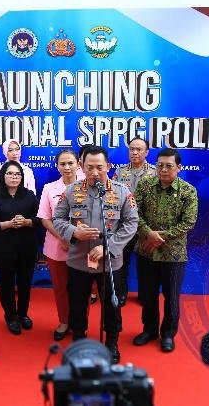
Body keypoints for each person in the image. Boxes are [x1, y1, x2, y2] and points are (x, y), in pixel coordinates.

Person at [53, 146, 138, 363]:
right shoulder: (71, 191)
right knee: (77, 305)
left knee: (112, 305)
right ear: (81, 167)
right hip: (79, 261)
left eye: (99, 167)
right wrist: (74, 232)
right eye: (89, 167)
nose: (94, 172)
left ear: (108, 166)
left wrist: (109, 247)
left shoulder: (121, 191)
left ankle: (111, 343)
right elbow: (58, 219)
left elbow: (131, 223)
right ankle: (79, 341)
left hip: (109, 262)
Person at [132, 148, 198, 353]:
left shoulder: (188, 191)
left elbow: (188, 222)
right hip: (146, 251)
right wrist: (148, 233)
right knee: (148, 295)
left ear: (179, 167)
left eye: (169, 166)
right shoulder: (144, 185)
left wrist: (160, 237)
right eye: (160, 165)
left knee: (172, 297)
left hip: (174, 254)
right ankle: (149, 330)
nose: (163, 169)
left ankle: (168, 334)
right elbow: (133, 214)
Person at [37, 148, 84, 341]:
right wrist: (64, 237)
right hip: (56, 246)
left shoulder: (87, 186)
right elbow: (44, 218)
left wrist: (74, 238)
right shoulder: (49, 188)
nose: (67, 167)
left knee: (81, 289)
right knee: (61, 288)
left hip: (82, 247)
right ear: (57, 166)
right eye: (62, 164)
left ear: (78, 165)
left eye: (70, 163)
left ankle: (80, 324)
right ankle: (64, 321)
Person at [0, 161, 40, 335]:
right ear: (3, 176)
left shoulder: (29, 195)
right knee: (6, 283)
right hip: (4, 247)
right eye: (10, 173)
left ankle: (23, 314)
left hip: (27, 246)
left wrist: (27, 222)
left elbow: (40, 219)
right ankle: (10, 316)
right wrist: (8, 224)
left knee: (25, 282)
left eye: (17, 174)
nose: (14, 177)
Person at [111, 137, 157, 305]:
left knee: (146, 263)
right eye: (131, 149)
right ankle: (121, 294)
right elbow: (113, 196)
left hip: (146, 226)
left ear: (146, 152)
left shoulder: (155, 172)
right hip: (124, 225)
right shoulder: (120, 171)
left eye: (139, 149)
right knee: (122, 261)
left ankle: (145, 295)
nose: (135, 152)